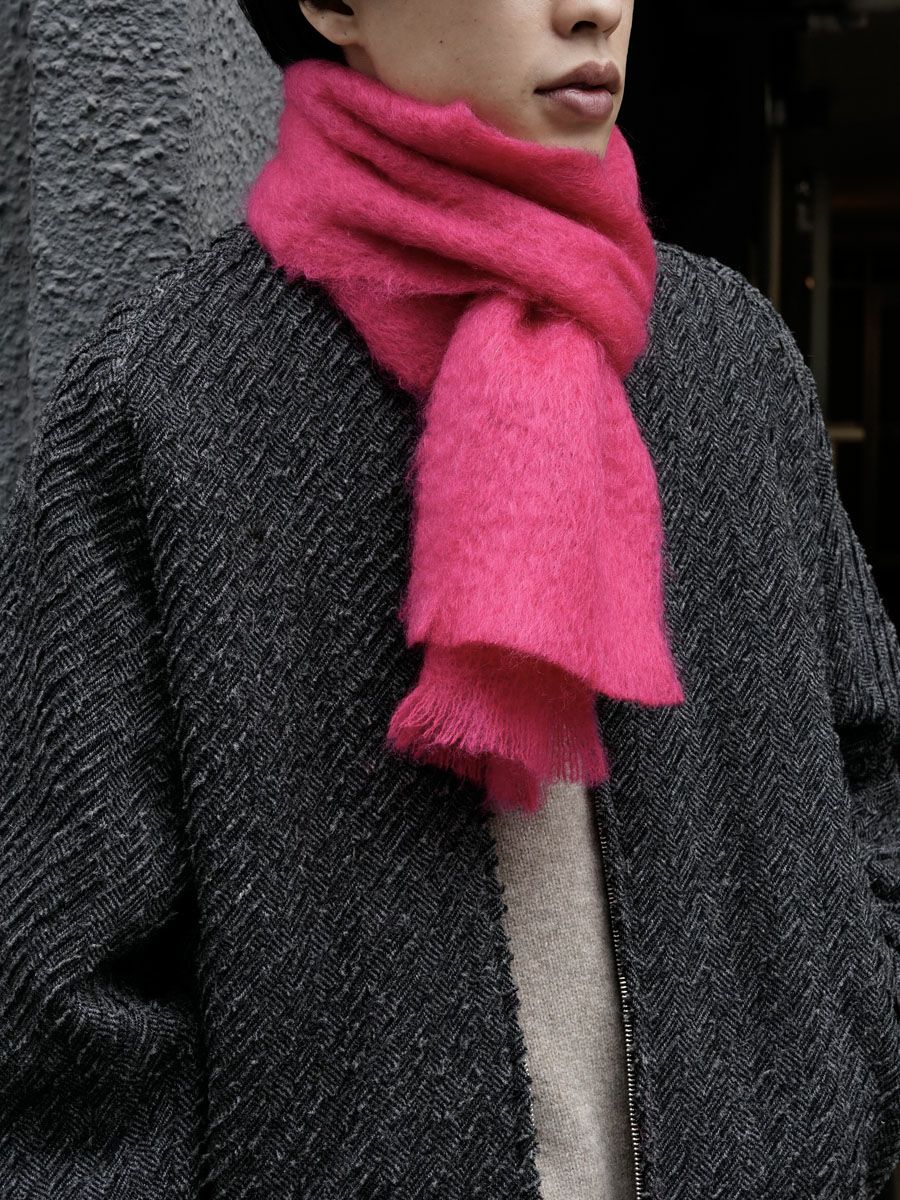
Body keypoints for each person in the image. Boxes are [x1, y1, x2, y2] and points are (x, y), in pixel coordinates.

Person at [1, 2, 898, 1198]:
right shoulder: (169, 402)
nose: (592, 9)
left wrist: (843, 1089)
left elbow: (871, 778)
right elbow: (69, 1003)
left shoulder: (728, 363)